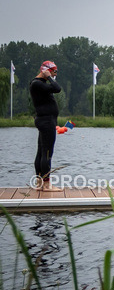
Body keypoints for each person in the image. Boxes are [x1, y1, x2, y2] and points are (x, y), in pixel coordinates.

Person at [29, 60, 63, 192]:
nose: (55, 74)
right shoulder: (37, 83)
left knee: (42, 152)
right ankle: (47, 185)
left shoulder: (39, 84)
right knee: (47, 153)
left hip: (45, 120)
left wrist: (48, 77)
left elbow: (54, 88)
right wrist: (48, 76)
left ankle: (39, 183)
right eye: (54, 71)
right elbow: (57, 88)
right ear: (46, 70)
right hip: (46, 121)